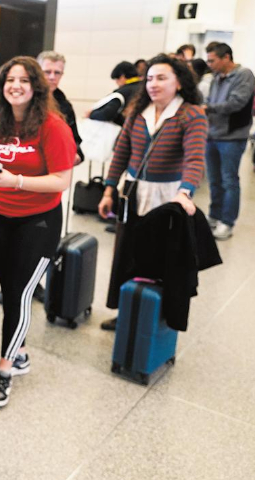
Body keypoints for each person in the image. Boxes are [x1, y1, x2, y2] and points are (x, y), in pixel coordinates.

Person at [0, 56, 75, 408]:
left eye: (24, 80)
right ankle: (21, 351)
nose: (16, 85)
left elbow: (63, 179)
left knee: (19, 295)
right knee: (9, 287)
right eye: (10, 79)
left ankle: (6, 368)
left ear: (36, 87)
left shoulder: (53, 127)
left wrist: (17, 181)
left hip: (38, 222)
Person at [97, 54, 207, 331]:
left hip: (168, 196)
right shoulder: (137, 113)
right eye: (149, 79)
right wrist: (109, 189)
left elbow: (195, 159)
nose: (153, 84)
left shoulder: (191, 115)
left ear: (179, 82)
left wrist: (186, 191)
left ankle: (154, 317)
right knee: (128, 254)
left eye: (161, 78)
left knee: (161, 259)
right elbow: (121, 153)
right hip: (133, 193)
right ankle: (126, 310)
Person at [203, 42, 255, 240]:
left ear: (226, 58)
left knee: (229, 180)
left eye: (212, 60)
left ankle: (227, 222)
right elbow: (212, 101)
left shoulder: (244, 75)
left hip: (232, 137)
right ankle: (214, 216)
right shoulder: (216, 77)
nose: (209, 64)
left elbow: (237, 103)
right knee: (214, 181)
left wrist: (208, 109)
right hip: (212, 135)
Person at [88, 61, 143, 126]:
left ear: (122, 76)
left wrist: (91, 114)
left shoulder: (122, 93)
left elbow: (107, 114)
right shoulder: (144, 88)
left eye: (117, 79)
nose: (116, 83)